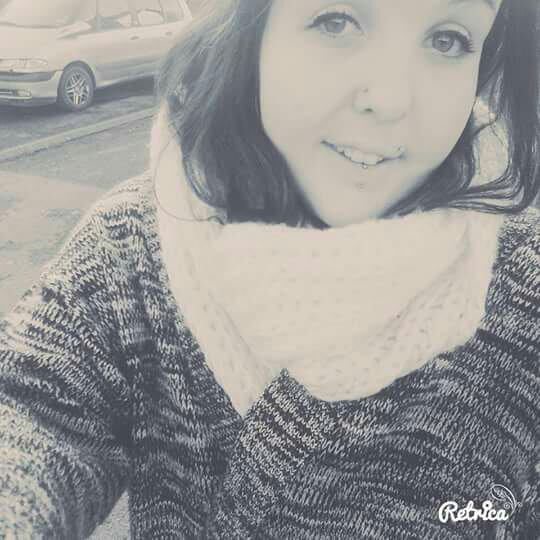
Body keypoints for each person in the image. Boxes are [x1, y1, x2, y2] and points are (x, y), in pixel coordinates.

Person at [1, 0, 539, 538]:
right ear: (252, 29)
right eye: (336, 21)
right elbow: (33, 412)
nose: (391, 99)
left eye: (447, 40)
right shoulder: (132, 247)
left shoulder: (524, 290)